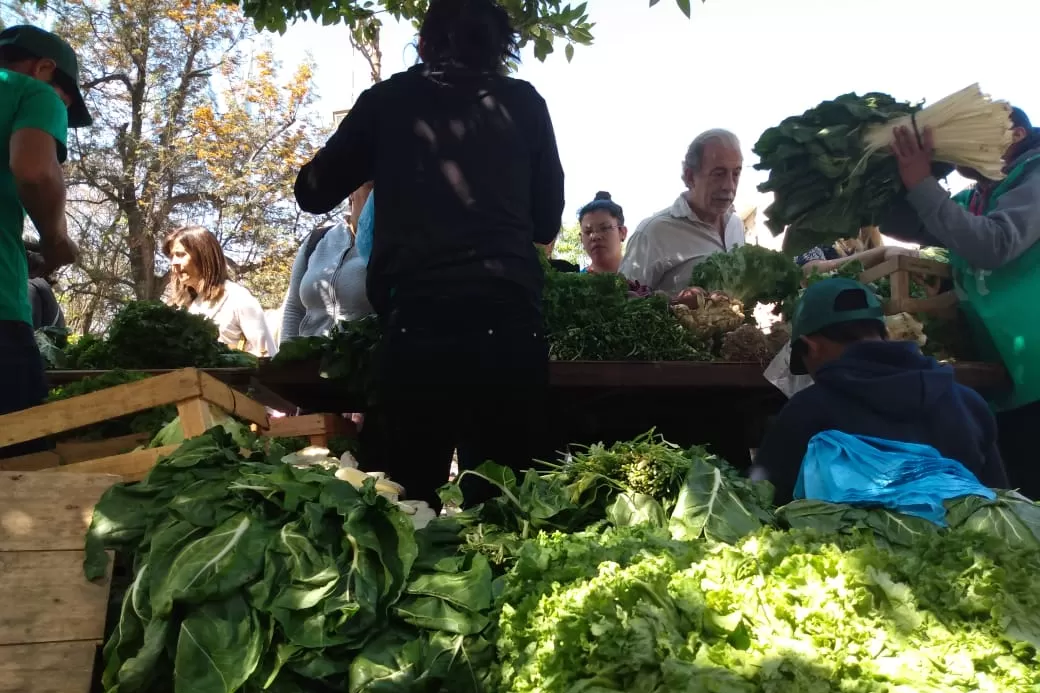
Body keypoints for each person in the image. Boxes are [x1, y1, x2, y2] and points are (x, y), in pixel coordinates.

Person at [293, 0, 565, 508]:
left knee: (398, 510)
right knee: (509, 512)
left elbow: (311, 191)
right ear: (502, 47)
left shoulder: (389, 102)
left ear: (423, 43)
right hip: (508, 326)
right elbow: (547, 221)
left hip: (417, 326)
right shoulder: (525, 104)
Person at [881, 106, 1040, 498]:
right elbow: (904, 222)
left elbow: (993, 244)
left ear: (1015, 135)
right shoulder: (978, 198)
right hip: (1010, 380)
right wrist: (921, 172)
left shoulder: (1035, 178)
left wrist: (921, 183)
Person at [751, 278, 1008, 505]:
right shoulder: (969, 403)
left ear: (812, 347)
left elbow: (761, 499)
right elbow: (1001, 502)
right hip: (965, 557)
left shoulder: (805, 413)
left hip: (856, 556)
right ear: (885, 333)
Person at [0, 25, 86, 456]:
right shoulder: (31, 93)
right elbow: (35, 170)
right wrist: (55, 241)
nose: (62, 116)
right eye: (65, 104)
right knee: (24, 465)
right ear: (44, 68)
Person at [619, 129, 746, 295]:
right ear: (690, 176)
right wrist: (674, 305)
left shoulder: (735, 225)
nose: (729, 186)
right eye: (719, 174)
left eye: (735, 173)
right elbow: (624, 303)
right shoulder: (653, 233)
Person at [162, 225, 277, 358]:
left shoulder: (237, 298)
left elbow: (267, 355)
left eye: (181, 255)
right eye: (172, 257)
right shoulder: (180, 306)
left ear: (204, 256)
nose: (174, 263)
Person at [578, 191, 627, 274]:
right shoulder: (574, 284)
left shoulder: (643, 278)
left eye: (605, 228)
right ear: (581, 239)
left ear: (622, 232)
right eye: (588, 231)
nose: (595, 236)